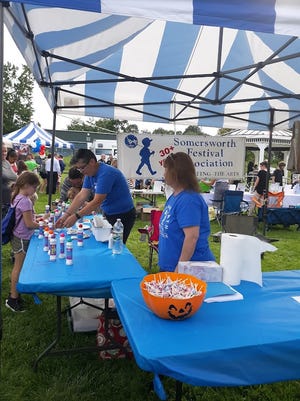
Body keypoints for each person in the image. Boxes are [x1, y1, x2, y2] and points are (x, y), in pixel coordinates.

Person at [56, 149, 136, 243]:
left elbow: (97, 201)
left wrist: (76, 216)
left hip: (123, 215)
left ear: (92, 162)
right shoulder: (90, 174)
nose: (81, 171)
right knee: (105, 243)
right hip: (109, 212)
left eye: (82, 168)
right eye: (79, 169)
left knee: (115, 245)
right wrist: (66, 215)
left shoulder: (106, 173)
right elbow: (82, 195)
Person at [158, 152, 215, 272]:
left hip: (189, 269)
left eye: (166, 169)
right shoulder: (175, 196)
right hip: (171, 266)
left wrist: (180, 267)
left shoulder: (188, 200)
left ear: (175, 173)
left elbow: (192, 236)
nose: (164, 174)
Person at [5, 171, 41, 312]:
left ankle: (16, 293)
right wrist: (43, 224)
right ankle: (13, 298)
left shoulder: (18, 196)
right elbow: (29, 224)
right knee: (18, 267)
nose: (35, 191)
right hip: (21, 238)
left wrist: (38, 219)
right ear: (26, 185)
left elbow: (28, 219)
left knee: (19, 267)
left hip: (19, 236)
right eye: (34, 188)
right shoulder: (25, 200)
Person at [2, 143, 18, 217]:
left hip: (10, 200)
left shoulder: (6, 162)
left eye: (5, 151)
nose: (4, 153)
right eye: (1, 151)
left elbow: (14, 176)